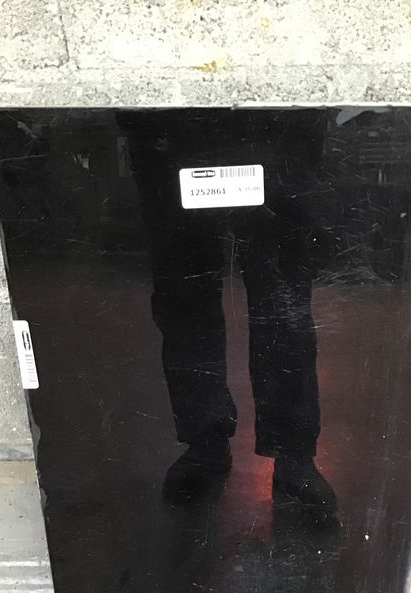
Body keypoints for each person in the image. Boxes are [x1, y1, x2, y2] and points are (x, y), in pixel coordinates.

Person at [117, 109, 338, 525]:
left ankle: (291, 453)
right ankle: (207, 443)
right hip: (173, 129)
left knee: (282, 303)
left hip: (275, 126)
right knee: (186, 297)